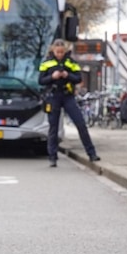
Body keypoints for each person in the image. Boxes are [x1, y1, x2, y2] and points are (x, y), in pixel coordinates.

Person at [37, 39, 99, 168]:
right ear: (53, 51)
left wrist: (67, 75)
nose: (59, 54)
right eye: (57, 52)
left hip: (67, 96)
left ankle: (91, 153)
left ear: (65, 51)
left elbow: (78, 78)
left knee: (81, 124)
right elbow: (41, 80)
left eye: (61, 52)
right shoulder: (46, 63)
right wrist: (52, 77)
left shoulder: (71, 62)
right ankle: (52, 157)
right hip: (53, 96)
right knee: (53, 128)